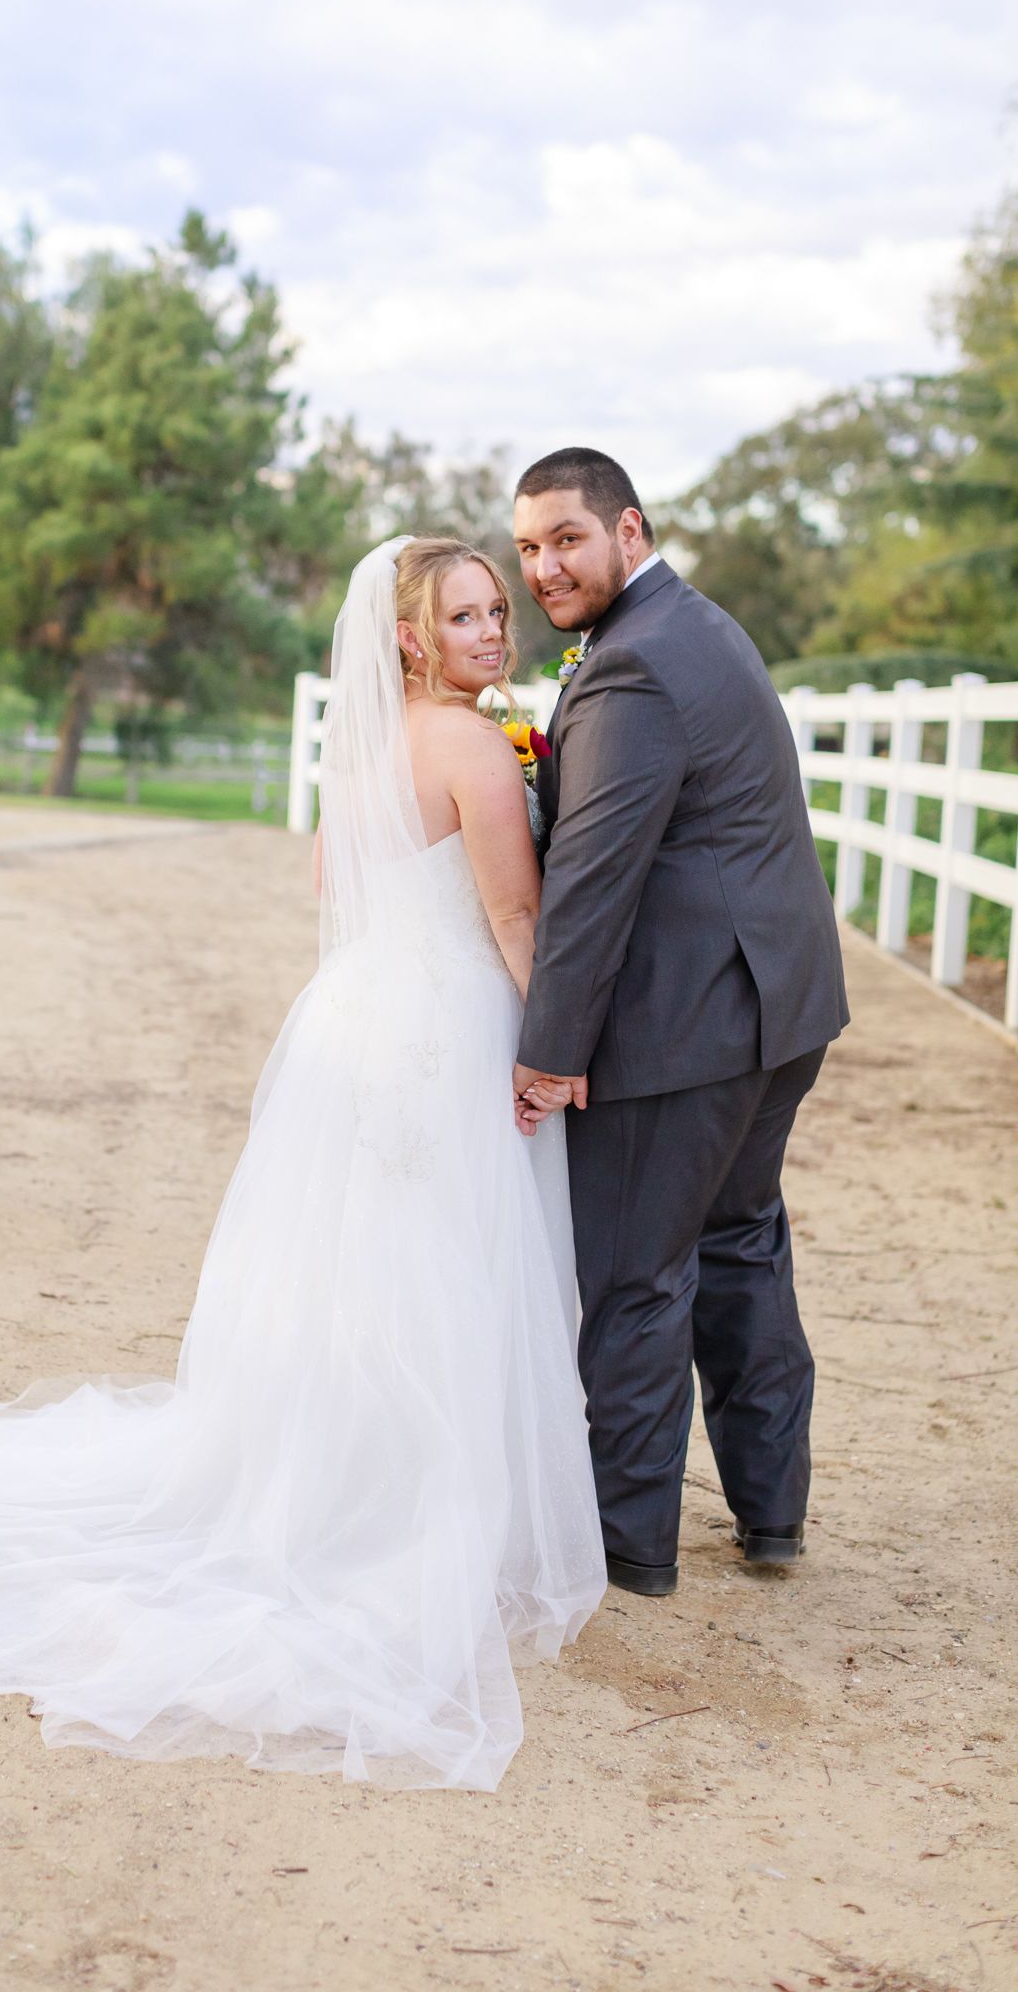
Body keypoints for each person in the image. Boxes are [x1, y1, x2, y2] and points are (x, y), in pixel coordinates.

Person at [0, 536, 606, 1794]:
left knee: (355, 1274)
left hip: (355, 1018)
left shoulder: (361, 746)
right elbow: (517, 915)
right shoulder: (473, 744)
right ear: (410, 638)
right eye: (464, 616)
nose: (493, 633)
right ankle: (412, 1520)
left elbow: (338, 886)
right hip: (444, 1025)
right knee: (444, 1274)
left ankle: (322, 1487)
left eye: (495, 612)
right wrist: (552, 1047)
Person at [510, 448, 849, 1599]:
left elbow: (595, 881)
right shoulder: (700, 627)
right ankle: (772, 1515)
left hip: (686, 1026)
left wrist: (550, 1051)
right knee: (741, 1243)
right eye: (528, 548)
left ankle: (629, 1545)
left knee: (636, 1276)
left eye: (567, 537)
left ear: (629, 529)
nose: (545, 565)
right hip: (777, 1007)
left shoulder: (632, 670)